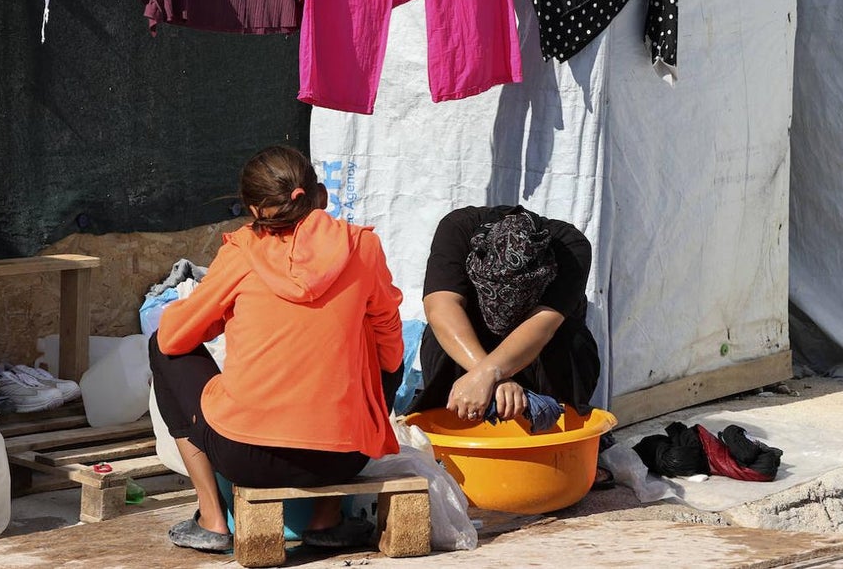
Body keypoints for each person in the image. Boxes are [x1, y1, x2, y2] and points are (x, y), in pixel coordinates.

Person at [150, 145, 404, 554]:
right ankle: (327, 516)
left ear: (254, 209)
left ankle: (212, 519)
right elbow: (390, 351)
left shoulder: (241, 252)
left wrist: (225, 314)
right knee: (384, 352)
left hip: (246, 456)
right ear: (318, 195)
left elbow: (173, 338)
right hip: (344, 457)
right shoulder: (363, 247)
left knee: (160, 347)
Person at [407, 205, 601, 424]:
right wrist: (486, 376)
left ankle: (562, 422)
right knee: (438, 337)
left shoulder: (571, 247)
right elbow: (440, 307)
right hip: (475, 340)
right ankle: (451, 417)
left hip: (537, 346)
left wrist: (490, 373)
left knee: (572, 338)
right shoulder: (457, 228)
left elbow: (544, 324)